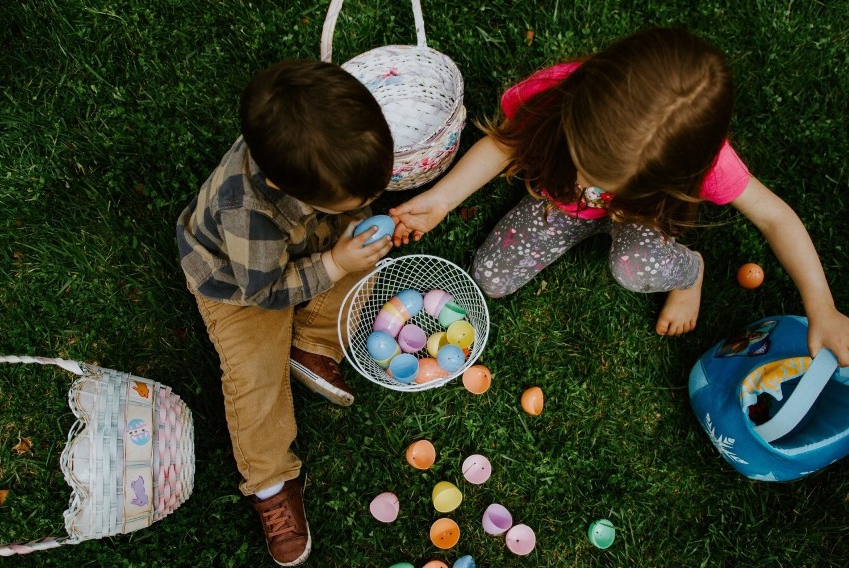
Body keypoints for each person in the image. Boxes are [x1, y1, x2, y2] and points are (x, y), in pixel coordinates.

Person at [389, 27, 849, 366]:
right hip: (560, 204)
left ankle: (690, 273)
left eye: (609, 176)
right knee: (489, 279)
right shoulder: (558, 91)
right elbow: (504, 144)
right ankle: (581, 222)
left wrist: (822, 307)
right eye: (581, 153)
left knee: (633, 267)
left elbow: (776, 219)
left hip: (642, 221)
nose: (590, 178)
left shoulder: (707, 162)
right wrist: (444, 198)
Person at [176, 60, 393, 566]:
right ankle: (271, 478)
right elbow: (267, 292)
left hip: (301, 248)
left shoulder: (318, 153)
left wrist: (358, 231)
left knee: (371, 264)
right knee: (255, 376)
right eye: (356, 199)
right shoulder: (247, 212)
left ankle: (311, 343)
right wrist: (336, 261)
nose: (369, 203)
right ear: (283, 183)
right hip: (240, 286)